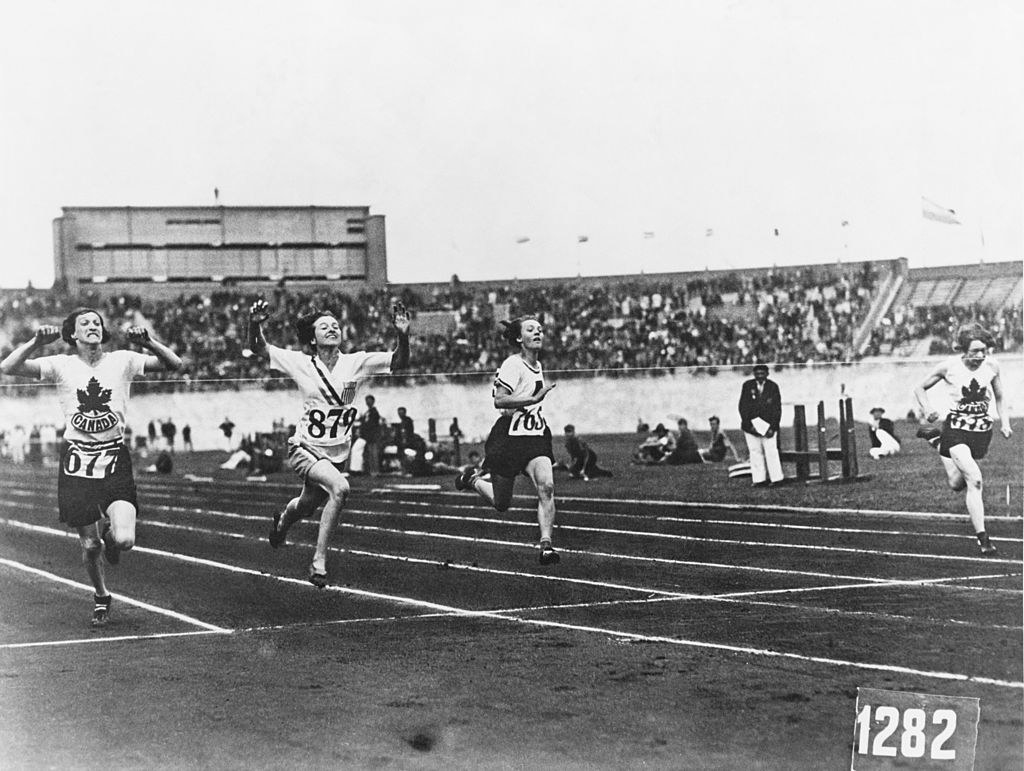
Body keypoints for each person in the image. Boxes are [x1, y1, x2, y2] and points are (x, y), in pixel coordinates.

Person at [0, 308, 182, 626]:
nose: (93, 326)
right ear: (72, 334)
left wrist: (149, 342)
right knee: (89, 544)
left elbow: (175, 364)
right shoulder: (61, 364)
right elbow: (8, 367)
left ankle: (112, 536)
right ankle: (101, 595)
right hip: (76, 462)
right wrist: (35, 342)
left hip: (113, 456)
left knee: (125, 540)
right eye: (85, 323)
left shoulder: (122, 360)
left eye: (97, 322)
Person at [248, 298, 410, 586]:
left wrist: (402, 334)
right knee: (340, 488)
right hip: (304, 448)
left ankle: (283, 522)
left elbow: (399, 361)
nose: (332, 329)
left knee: (307, 506)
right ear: (313, 337)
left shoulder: (356, 362)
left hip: (336, 454)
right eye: (324, 326)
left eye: (335, 325)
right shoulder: (301, 362)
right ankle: (318, 562)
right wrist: (255, 325)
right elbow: (261, 349)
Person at [454, 316, 561, 565]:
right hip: (509, 439)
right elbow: (499, 400)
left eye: (540, 330)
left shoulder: (538, 364)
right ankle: (473, 479)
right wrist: (532, 401)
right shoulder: (513, 364)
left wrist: (533, 406)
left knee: (546, 486)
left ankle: (546, 545)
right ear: (518, 338)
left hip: (534, 436)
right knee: (502, 503)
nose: (538, 333)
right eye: (531, 329)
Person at [913, 323, 1012, 555]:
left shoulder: (992, 366)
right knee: (975, 479)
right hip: (956, 429)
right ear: (963, 349)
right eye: (975, 351)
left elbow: (999, 396)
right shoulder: (949, 366)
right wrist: (927, 409)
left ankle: (937, 442)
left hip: (980, 432)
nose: (980, 356)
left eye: (984, 351)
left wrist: (1005, 422)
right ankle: (983, 538)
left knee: (957, 483)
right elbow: (919, 388)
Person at [738, 363, 784, 487]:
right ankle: (759, 479)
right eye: (757, 374)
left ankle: (776, 478)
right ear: (754, 374)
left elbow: (777, 409)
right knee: (755, 451)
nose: (760, 376)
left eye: (762, 373)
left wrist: (773, 428)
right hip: (751, 426)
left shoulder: (773, 387)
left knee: (771, 451)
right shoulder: (747, 386)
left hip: (768, 426)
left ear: (767, 374)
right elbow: (743, 407)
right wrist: (750, 426)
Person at [359, 394, 383, 475]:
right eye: (367, 401)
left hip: (373, 436)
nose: (368, 402)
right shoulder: (368, 412)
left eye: (369, 401)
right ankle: (372, 470)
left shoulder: (374, 412)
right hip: (369, 436)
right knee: (370, 454)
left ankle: (375, 470)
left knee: (374, 454)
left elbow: (372, 424)